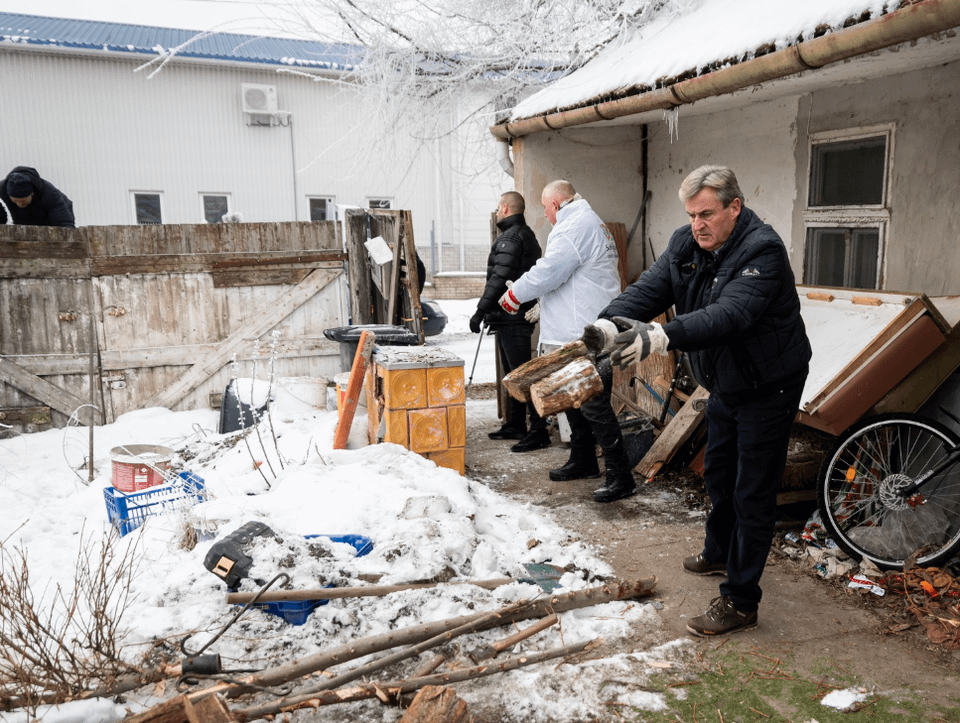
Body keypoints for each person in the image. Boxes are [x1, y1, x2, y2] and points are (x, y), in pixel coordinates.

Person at [581, 165, 812, 636]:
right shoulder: (687, 244)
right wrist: (609, 325)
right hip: (726, 383)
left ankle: (742, 600)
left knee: (753, 491)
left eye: (707, 214)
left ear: (734, 207)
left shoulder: (761, 251)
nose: (697, 224)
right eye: (691, 215)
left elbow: (728, 315)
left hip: (769, 387)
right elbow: (652, 287)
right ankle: (719, 552)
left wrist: (661, 336)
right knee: (719, 473)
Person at [497, 180, 622, 479]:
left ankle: (620, 475)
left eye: (545, 208)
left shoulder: (574, 226)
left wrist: (516, 294)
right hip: (582, 325)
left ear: (555, 204)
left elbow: (550, 271)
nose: (545, 214)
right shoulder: (586, 221)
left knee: (593, 406)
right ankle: (584, 461)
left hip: (581, 332)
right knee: (574, 401)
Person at [470, 191, 548, 451]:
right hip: (509, 317)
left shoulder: (512, 238)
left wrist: (480, 311)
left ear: (504, 208)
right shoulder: (522, 235)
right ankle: (516, 423)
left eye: (497, 207)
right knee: (514, 374)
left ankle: (539, 431)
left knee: (523, 375)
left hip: (513, 316)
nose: (496, 212)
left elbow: (498, 277)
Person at [0, 166, 75, 228]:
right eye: (15, 201)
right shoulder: (2, 189)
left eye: (23, 200)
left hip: (56, 216)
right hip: (24, 218)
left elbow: (64, 224)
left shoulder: (49, 194)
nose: (19, 204)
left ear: (32, 194)